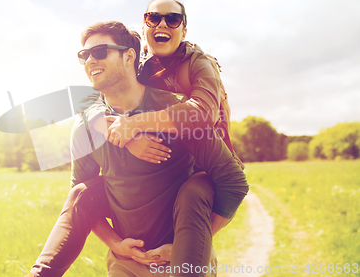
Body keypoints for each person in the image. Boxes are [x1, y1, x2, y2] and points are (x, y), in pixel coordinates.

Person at [27, 20, 248, 277]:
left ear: (129, 55)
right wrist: (116, 245)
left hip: (184, 263)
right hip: (126, 265)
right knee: (81, 191)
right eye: (84, 55)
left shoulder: (175, 113)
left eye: (99, 52)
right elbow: (85, 204)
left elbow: (233, 182)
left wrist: (186, 244)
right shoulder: (86, 127)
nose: (90, 61)